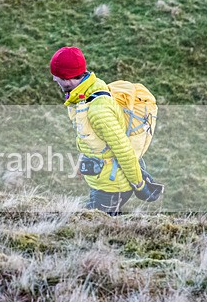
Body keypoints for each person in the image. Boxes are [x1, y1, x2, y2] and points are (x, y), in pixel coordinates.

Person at [50, 46, 160, 214]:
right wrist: (83, 160)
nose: (53, 79)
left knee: (88, 229)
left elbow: (123, 150)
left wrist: (140, 185)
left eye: (57, 76)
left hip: (112, 188)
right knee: (104, 229)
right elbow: (94, 138)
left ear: (68, 78)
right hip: (103, 182)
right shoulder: (85, 94)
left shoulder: (98, 110)